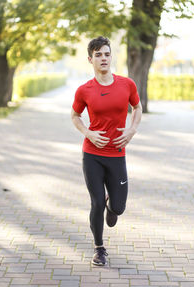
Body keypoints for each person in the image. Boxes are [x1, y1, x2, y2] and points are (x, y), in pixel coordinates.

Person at [71, 36, 142, 266]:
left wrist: (131, 130)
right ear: (90, 59)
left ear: (112, 57)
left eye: (107, 54)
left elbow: (137, 107)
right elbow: (75, 116)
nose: (103, 58)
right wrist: (88, 133)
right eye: (98, 54)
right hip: (92, 155)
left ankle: (113, 205)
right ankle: (99, 248)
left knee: (117, 208)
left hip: (117, 155)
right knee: (96, 202)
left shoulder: (127, 84)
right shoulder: (84, 90)